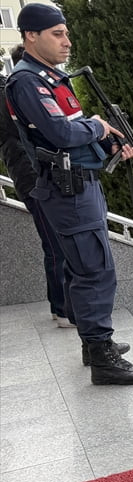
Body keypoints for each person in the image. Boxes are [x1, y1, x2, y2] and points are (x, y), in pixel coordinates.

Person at [5, 3, 133, 385]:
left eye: (66, 33)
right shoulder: (27, 81)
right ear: (30, 36)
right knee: (94, 270)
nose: (67, 41)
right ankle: (102, 355)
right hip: (66, 190)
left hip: (79, 185)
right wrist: (100, 127)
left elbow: (73, 133)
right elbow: (63, 135)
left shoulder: (52, 78)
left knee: (84, 266)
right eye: (57, 34)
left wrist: (109, 145)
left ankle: (94, 344)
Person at [1, 48, 72, 327]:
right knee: (55, 243)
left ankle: (61, 307)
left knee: (56, 241)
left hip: (31, 172)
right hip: (32, 176)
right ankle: (62, 308)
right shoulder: (13, 90)